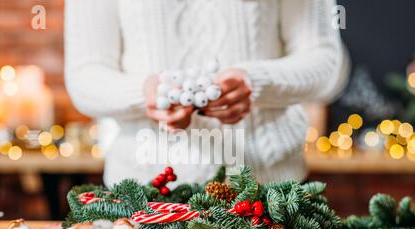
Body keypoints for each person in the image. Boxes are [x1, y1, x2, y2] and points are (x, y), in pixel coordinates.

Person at [64, 0, 349, 186]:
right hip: (144, 198)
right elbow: (84, 76)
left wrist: (255, 82)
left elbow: (325, 63)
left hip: (270, 195)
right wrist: (144, 93)